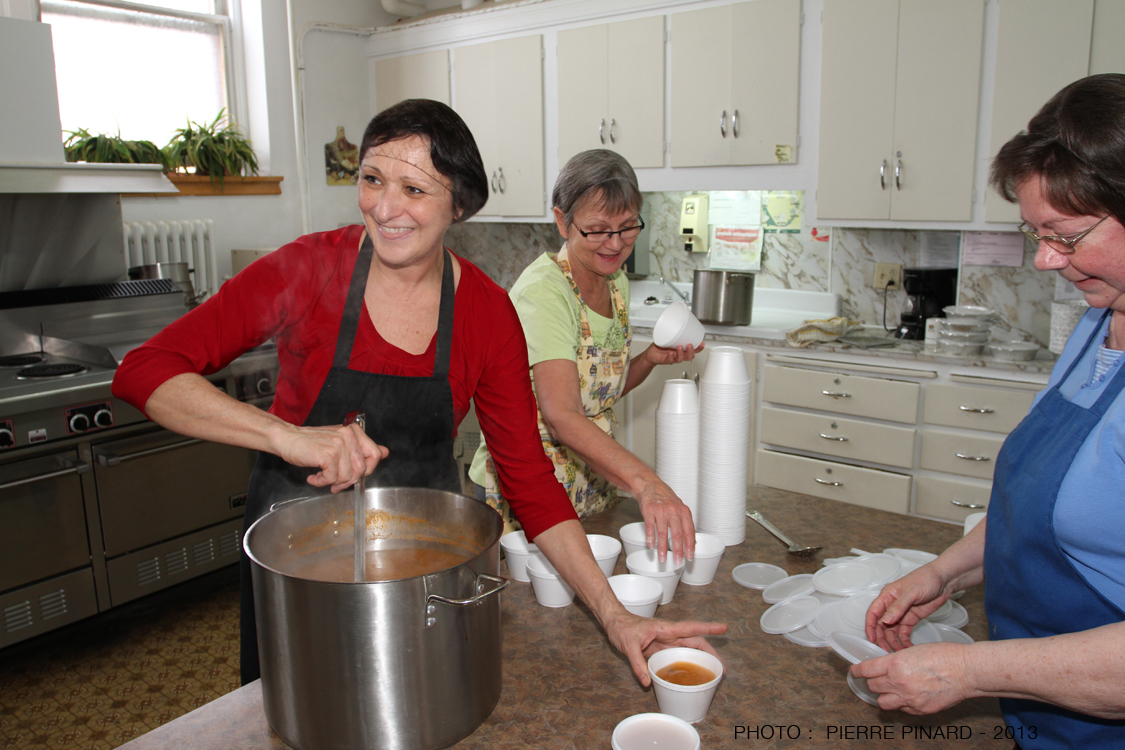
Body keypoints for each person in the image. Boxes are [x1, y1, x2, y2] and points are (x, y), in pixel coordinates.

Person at [112, 100, 725, 688]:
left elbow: (530, 482)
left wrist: (614, 614)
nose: (384, 208)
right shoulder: (308, 270)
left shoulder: (486, 313)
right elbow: (145, 371)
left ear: (457, 204)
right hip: (296, 564)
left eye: (414, 189)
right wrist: (285, 435)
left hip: (423, 566)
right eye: (372, 179)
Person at [855, 74, 1125, 748]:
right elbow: (1039, 512)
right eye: (1033, 232)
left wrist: (967, 671)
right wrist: (947, 569)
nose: (1042, 260)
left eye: (1065, 236)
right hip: (1044, 715)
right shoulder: (1101, 320)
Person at [468, 149, 700, 563]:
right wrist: (647, 483)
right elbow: (563, 414)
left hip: (590, 487)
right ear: (562, 221)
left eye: (627, 227)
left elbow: (596, 396)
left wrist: (648, 360)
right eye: (597, 230)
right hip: (531, 496)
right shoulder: (545, 293)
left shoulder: (614, 281)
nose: (615, 244)